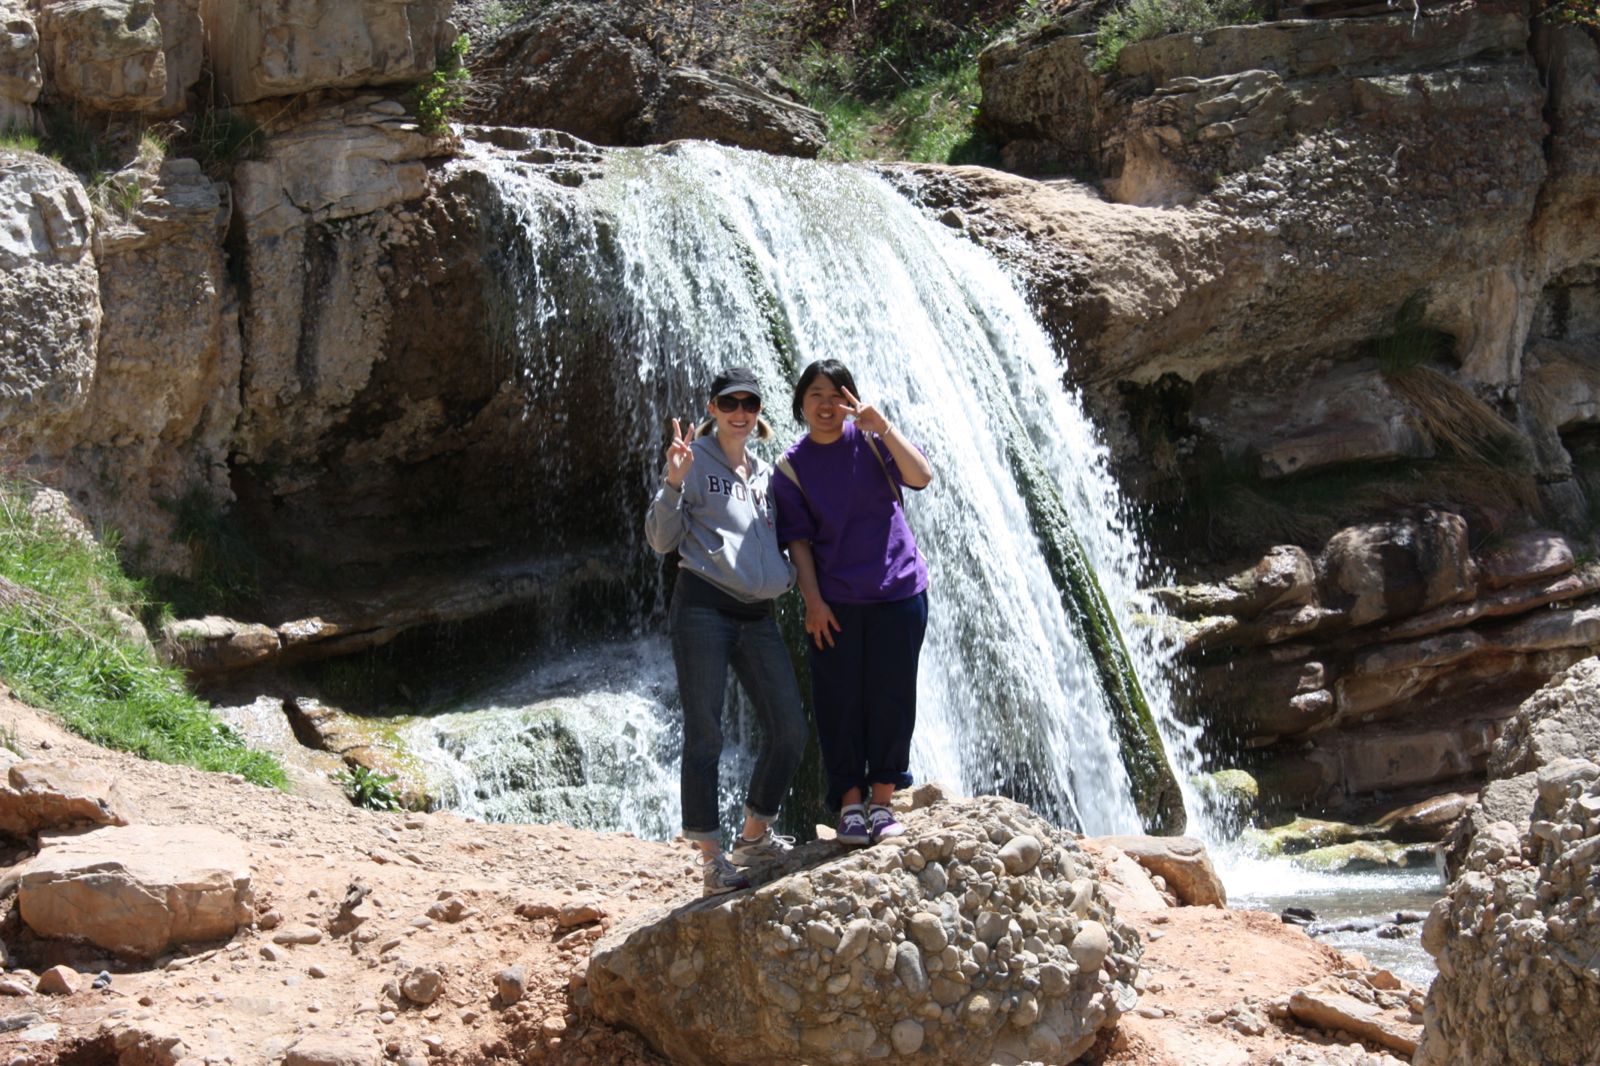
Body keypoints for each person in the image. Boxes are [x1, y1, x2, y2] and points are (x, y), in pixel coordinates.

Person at [645, 367, 808, 896]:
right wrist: (673, 481)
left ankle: (754, 836)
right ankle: (712, 857)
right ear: (712, 407)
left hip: (758, 614)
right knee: (706, 731)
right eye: (730, 403)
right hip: (703, 609)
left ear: (759, 413)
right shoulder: (693, 462)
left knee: (790, 729)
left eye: (750, 404)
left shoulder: (766, 473)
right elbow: (661, 541)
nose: (741, 412)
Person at [771, 359, 933, 847]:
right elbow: (798, 542)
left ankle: (883, 801)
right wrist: (813, 602)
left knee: (892, 696)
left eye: (836, 395)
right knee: (839, 703)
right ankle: (850, 806)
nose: (826, 404)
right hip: (837, 601)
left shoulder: (873, 442)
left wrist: (882, 425)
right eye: (816, 394)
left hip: (899, 591)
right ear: (801, 401)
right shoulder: (790, 467)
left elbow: (922, 477)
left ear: (850, 401)